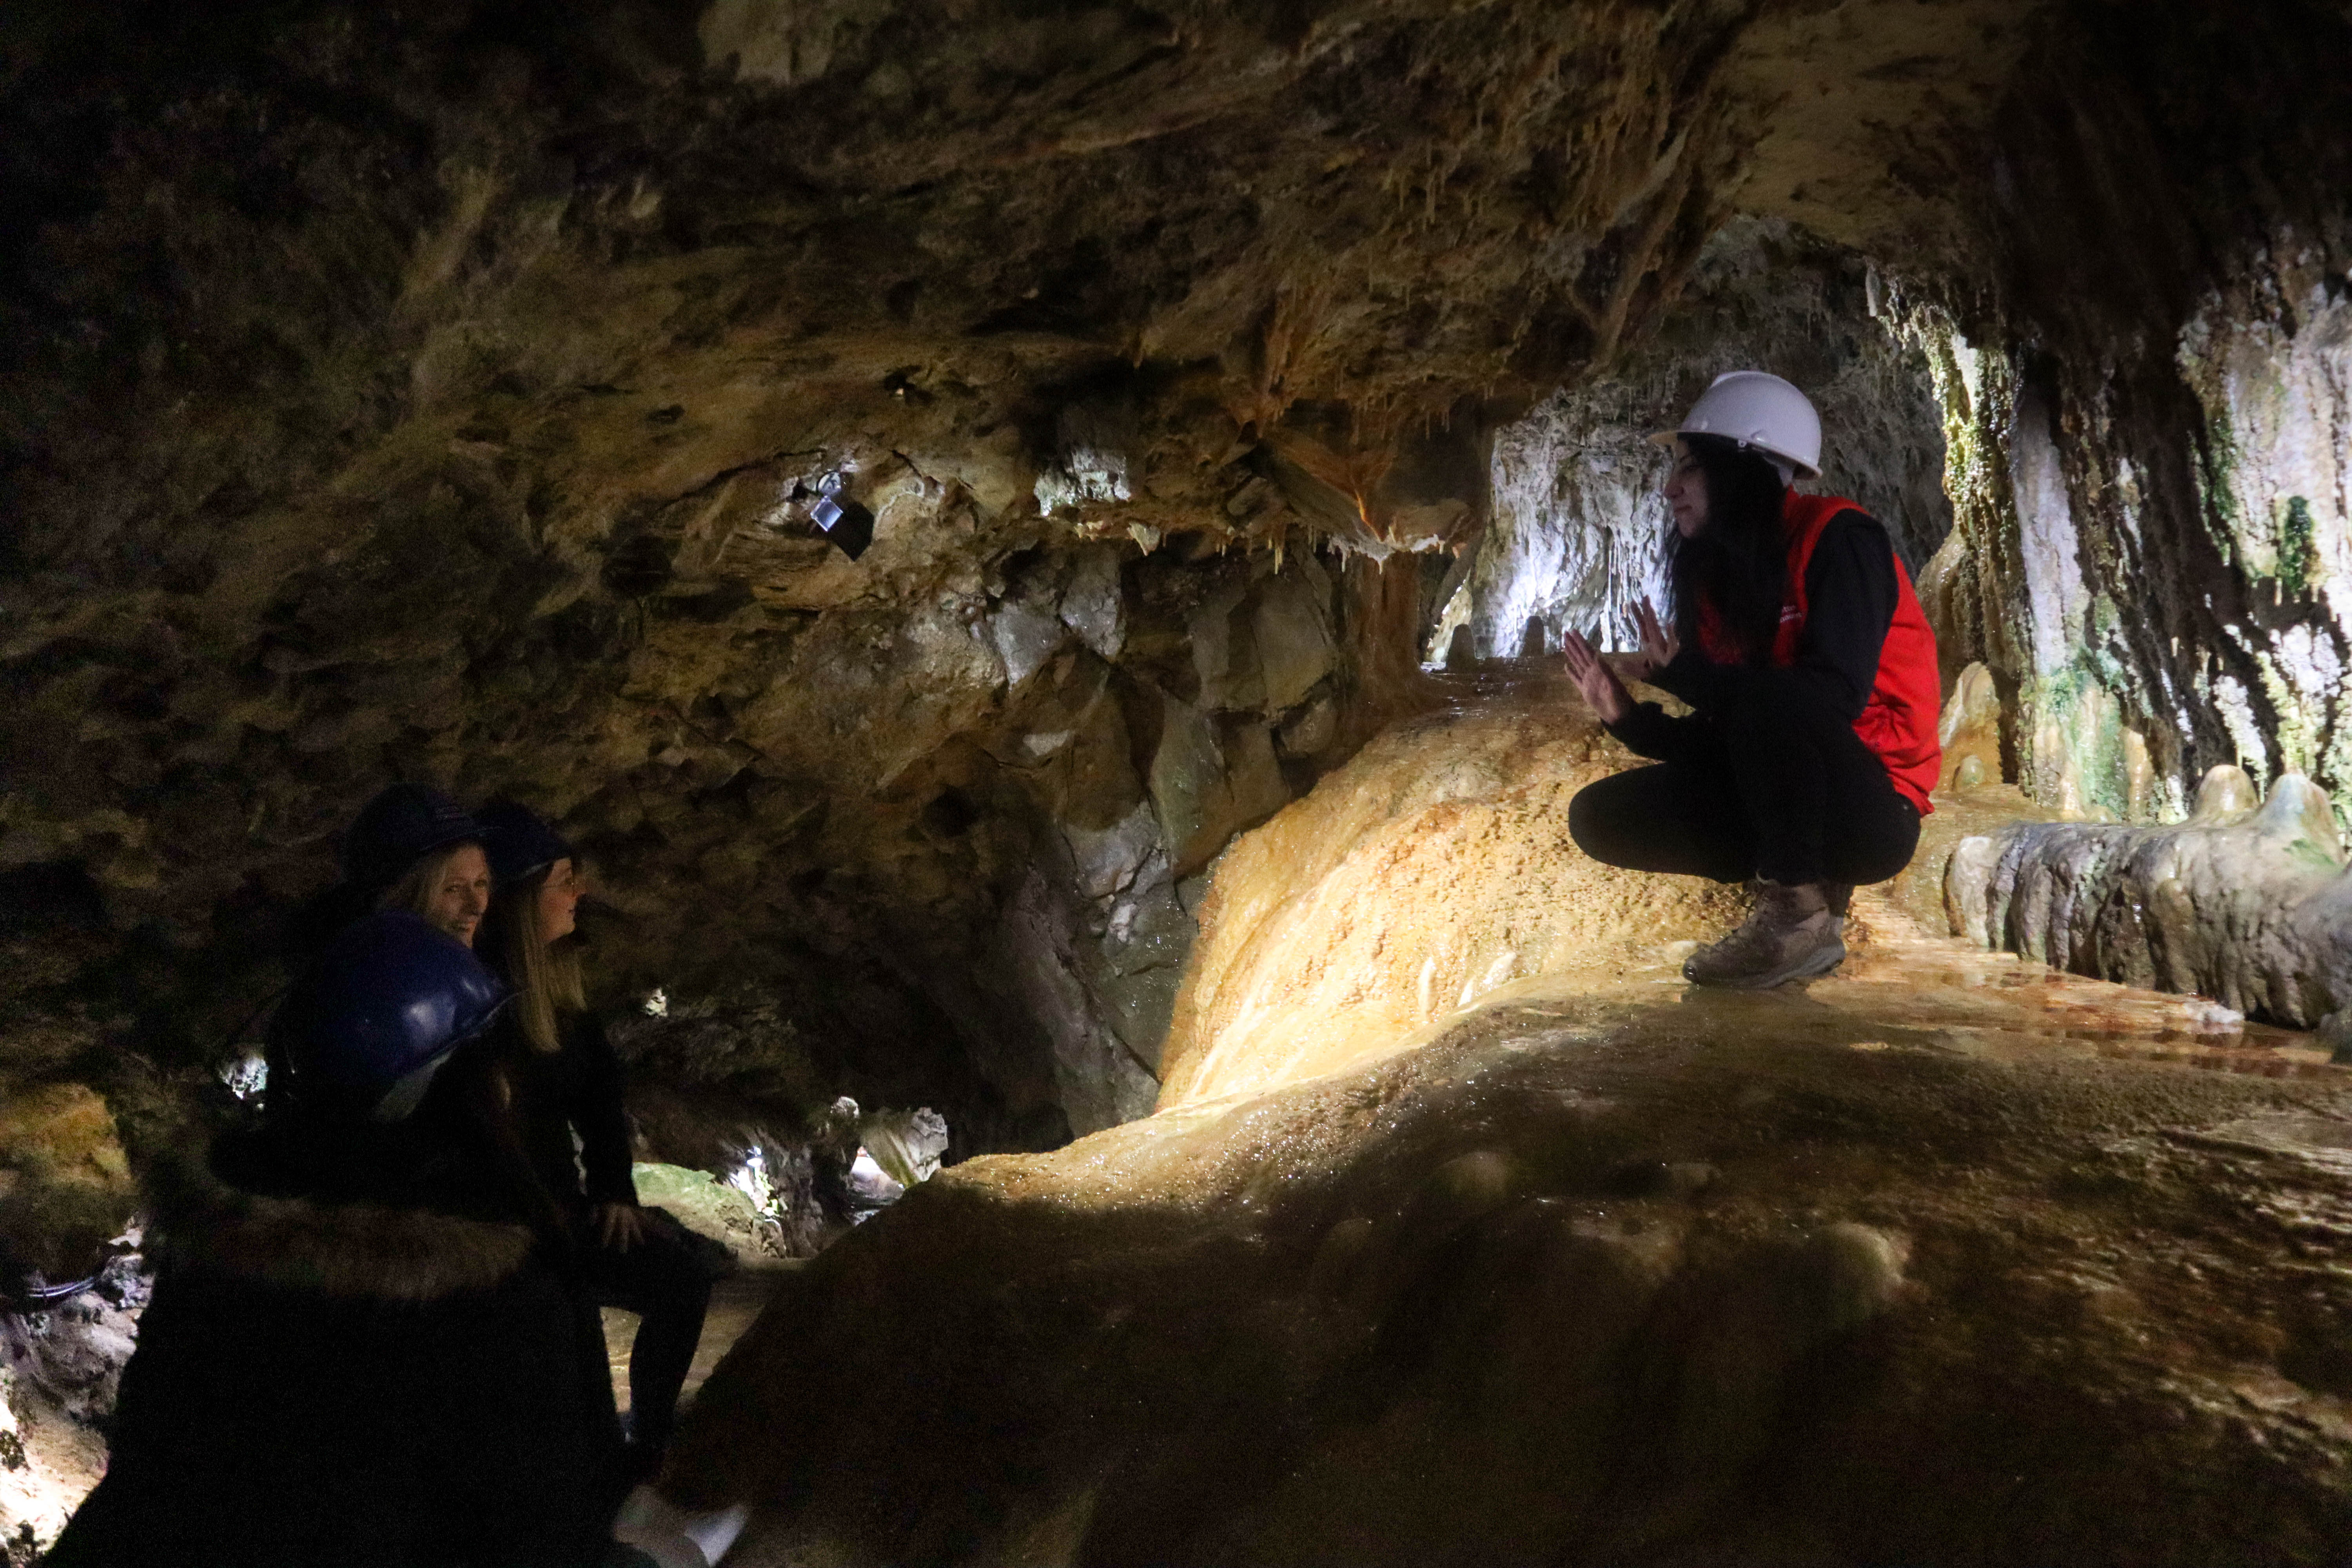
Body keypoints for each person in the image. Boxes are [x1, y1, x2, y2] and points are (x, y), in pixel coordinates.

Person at [49, 911, 636, 1567]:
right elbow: (535, 1526)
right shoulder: (495, 1286)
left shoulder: (213, 1240)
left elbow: (153, 1441)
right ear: (460, 1080)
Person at [1561, 372, 1942, 988]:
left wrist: (1690, 678)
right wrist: (1629, 719)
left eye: (1688, 469)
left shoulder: (1841, 539)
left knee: (1773, 692)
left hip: (1873, 809)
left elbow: (1829, 697)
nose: (1669, 490)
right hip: (1793, 792)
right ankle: (1799, 891)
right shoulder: (1724, 585)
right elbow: (1735, 733)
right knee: (1602, 817)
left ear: (1743, 471)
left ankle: (1796, 917)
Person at [474, 800, 726, 1481]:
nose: (580, 893)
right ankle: (606, 1465)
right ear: (524, 899)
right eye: (563, 880)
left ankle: (645, 1444)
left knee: (681, 1277)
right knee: (576, 1323)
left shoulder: (555, 988)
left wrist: (615, 1192)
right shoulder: (480, 999)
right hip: (509, 1224)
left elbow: (599, 1096)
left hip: (560, 1211)